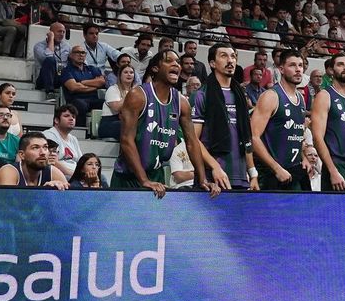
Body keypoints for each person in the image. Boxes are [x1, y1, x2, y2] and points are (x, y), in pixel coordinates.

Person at [113, 50, 226, 197]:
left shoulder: (181, 102)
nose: (176, 65)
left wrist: (202, 179)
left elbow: (192, 142)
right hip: (128, 178)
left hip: (156, 177)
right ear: (155, 68)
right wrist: (144, 180)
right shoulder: (138, 96)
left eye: (178, 62)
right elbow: (126, 140)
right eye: (169, 61)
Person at [195, 43, 256, 191]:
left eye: (233, 56)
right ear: (212, 63)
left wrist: (252, 173)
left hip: (240, 177)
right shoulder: (202, 94)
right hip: (213, 178)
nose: (230, 60)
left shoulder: (240, 94)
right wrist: (215, 167)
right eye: (224, 56)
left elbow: (246, 138)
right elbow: (193, 140)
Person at [250, 48, 311, 191]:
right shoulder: (271, 96)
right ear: (281, 69)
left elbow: (295, 133)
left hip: (293, 169)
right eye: (292, 65)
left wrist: (303, 156)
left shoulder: (301, 98)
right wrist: (276, 168)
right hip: (272, 172)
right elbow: (253, 137)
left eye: (300, 65)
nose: (298, 70)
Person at [311, 53, 345, 192]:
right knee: (339, 213)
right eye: (340, 64)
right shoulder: (324, 95)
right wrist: (332, 171)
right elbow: (317, 138)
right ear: (331, 70)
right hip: (338, 165)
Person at [0, 132, 70, 188]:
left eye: (45, 147)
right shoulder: (8, 172)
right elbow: (8, 206)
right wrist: (46, 193)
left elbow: (70, 204)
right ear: (22, 155)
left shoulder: (53, 172)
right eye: (35, 148)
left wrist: (59, 194)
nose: (43, 152)